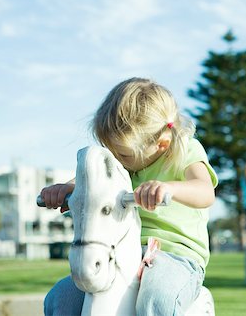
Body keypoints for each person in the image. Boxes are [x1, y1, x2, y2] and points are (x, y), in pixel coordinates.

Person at [41, 77, 218, 316]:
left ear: (162, 143)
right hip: (119, 253)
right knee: (60, 299)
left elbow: (205, 192)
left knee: (157, 299)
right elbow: (90, 183)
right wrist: (63, 189)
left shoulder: (185, 150)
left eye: (122, 154)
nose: (116, 159)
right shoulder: (120, 163)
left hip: (176, 255)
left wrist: (170, 189)